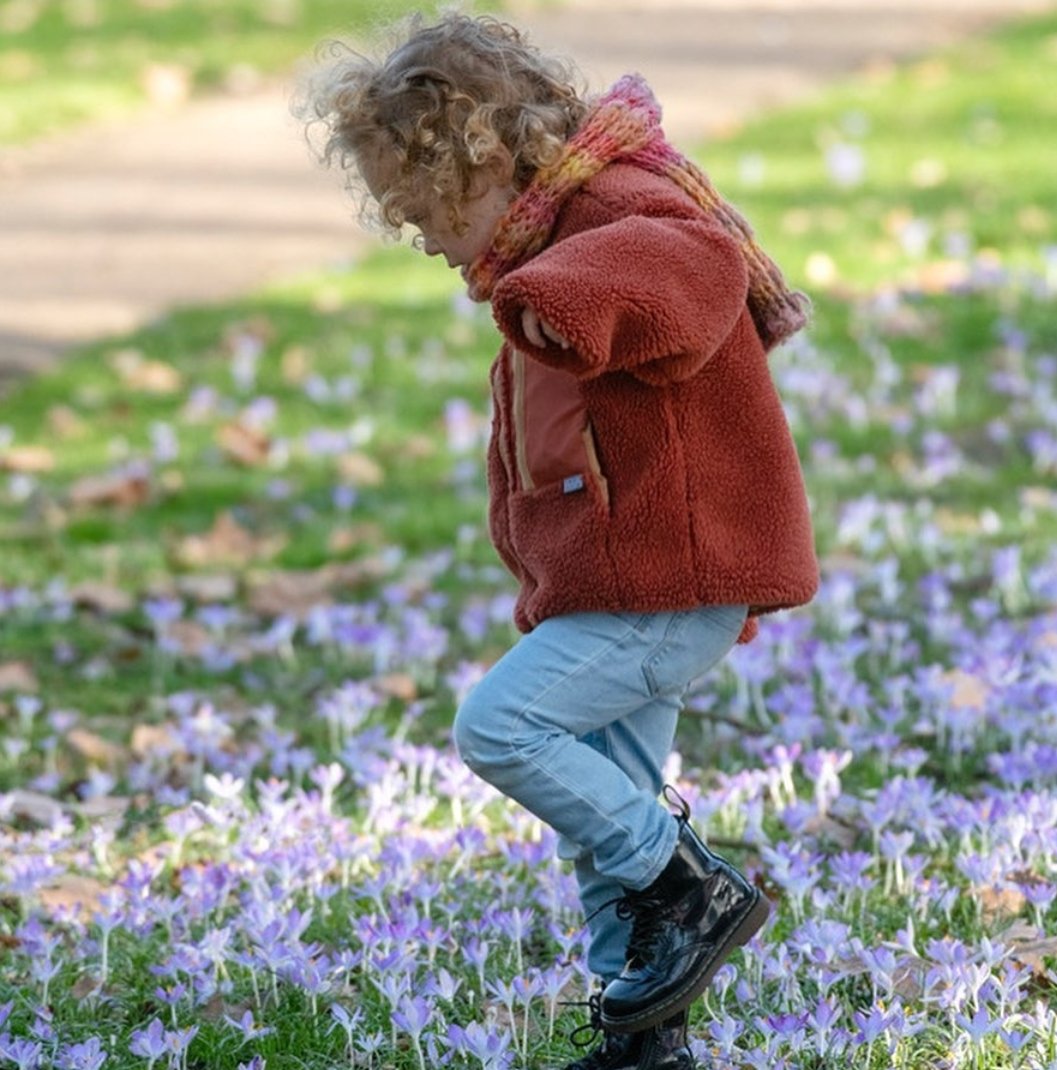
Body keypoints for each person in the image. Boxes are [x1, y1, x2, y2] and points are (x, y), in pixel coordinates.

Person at [298, 12, 818, 1069]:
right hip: (622, 583)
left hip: (666, 582)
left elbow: (693, 267)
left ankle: (687, 883)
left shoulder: (620, 206)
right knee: (599, 823)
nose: (426, 242)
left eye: (424, 213)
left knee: (500, 725)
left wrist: (548, 298)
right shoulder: (558, 229)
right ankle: (641, 1035)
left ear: (481, 160)